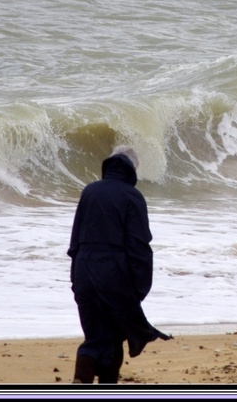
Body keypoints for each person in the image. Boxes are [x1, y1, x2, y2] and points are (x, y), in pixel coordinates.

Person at [68, 145, 171, 384]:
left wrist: (76, 278)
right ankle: (88, 381)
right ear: (132, 169)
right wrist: (139, 288)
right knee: (113, 335)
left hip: (84, 270)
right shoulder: (132, 197)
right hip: (114, 275)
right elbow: (140, 248)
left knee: (95, 333)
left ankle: (84, 378)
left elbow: (74, 243)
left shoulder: (89, 191)